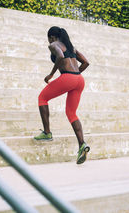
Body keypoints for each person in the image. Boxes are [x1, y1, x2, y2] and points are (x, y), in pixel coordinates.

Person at [34, 26, 90, 164]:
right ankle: (82, 144)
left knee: (42, 98)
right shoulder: (71, 47)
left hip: (68, 77)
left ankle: (47, 133)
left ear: (52, 37)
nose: (49, 42)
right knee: (71, 113)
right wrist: (76, 75)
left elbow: (60, 56)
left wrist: (51, 74)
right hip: (79, 80)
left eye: (48, 39)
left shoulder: (54, 45)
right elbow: (86, 62)